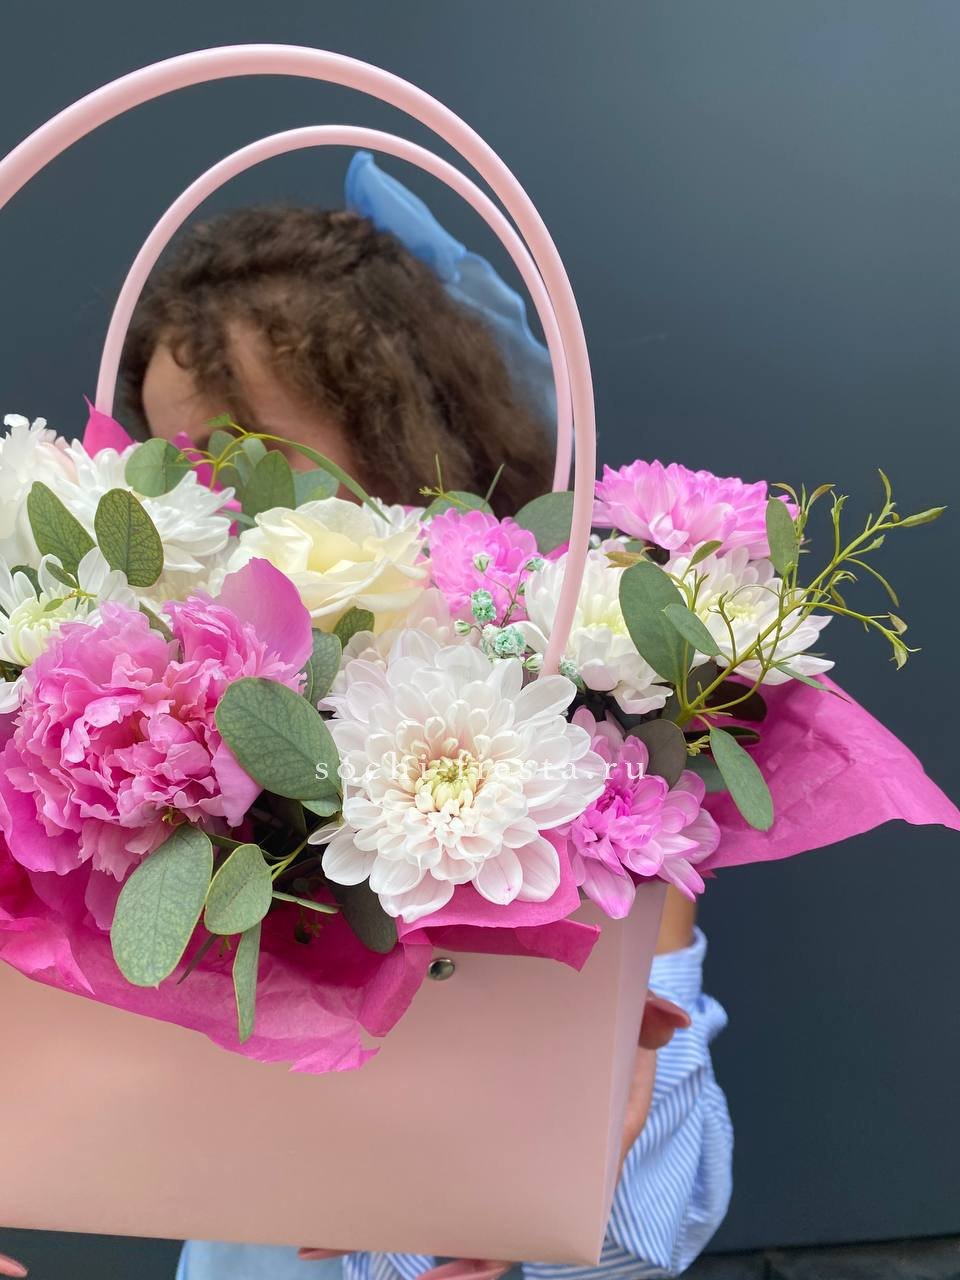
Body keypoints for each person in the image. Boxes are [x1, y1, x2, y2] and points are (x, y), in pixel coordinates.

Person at [120, 155, 733, 1280]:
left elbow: (651, 1217)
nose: (204, 504)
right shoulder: (162, 732)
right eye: (174, 462)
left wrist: (511, 1174)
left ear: (399, 432)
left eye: (246, 456)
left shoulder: (575, 740)